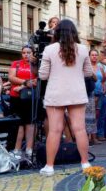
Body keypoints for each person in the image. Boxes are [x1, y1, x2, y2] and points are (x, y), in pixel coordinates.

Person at [38, 20, 93, 176]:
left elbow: (43, 75)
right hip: (77, 93)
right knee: (80, 129)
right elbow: (88, 73)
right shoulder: (83, 49)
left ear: (57, 32)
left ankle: (49, 166)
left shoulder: (49, 49)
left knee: (54, 131)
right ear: (74, 32)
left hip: (55, 93)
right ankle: (85, 162)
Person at [9, 46, 38, 159]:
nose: (26, 55)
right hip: (15, 97)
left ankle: (29, 149)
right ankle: (17, 149)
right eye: (24, 52)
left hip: (30, 97)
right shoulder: (16, 63)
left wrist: (22, 86)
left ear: (33, 53)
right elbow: (11, 77)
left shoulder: (35, 65)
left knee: (30, 123)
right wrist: (25, 83)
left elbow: (38, 79)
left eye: (28, 52)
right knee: (18, 123)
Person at [95, 50, 106, 142]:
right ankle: (99, 134)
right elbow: (103, 79)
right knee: (101, 115)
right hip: (103, 93)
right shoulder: (100, 66)